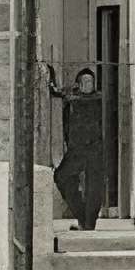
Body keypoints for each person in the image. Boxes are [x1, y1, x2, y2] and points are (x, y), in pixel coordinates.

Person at [48, 65, 107, 230]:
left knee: (94, 187)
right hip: (77, 150)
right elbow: (59, 97)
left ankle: (89, 223)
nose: (89, 84)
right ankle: (81, 215)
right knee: (61, 176)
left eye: (91, 81)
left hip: (96, 149)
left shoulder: (101, 100)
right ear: (79, 84)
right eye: (85, 81)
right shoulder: (72, 100)